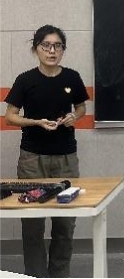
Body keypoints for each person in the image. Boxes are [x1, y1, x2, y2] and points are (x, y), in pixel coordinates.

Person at [4, 24, 89, 278]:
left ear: (63, 50)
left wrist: (74, 117)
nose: (52, 51)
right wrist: (36, 122)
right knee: (32, 224)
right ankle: (36, 275)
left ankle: (59, 275)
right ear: (36, 49)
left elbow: (81, 108)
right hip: (32, 159)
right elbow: (10, 116)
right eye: (46, 46)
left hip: (66, 158)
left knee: (65, 222)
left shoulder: (72, 78)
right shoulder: (25, 80)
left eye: (57, 46)